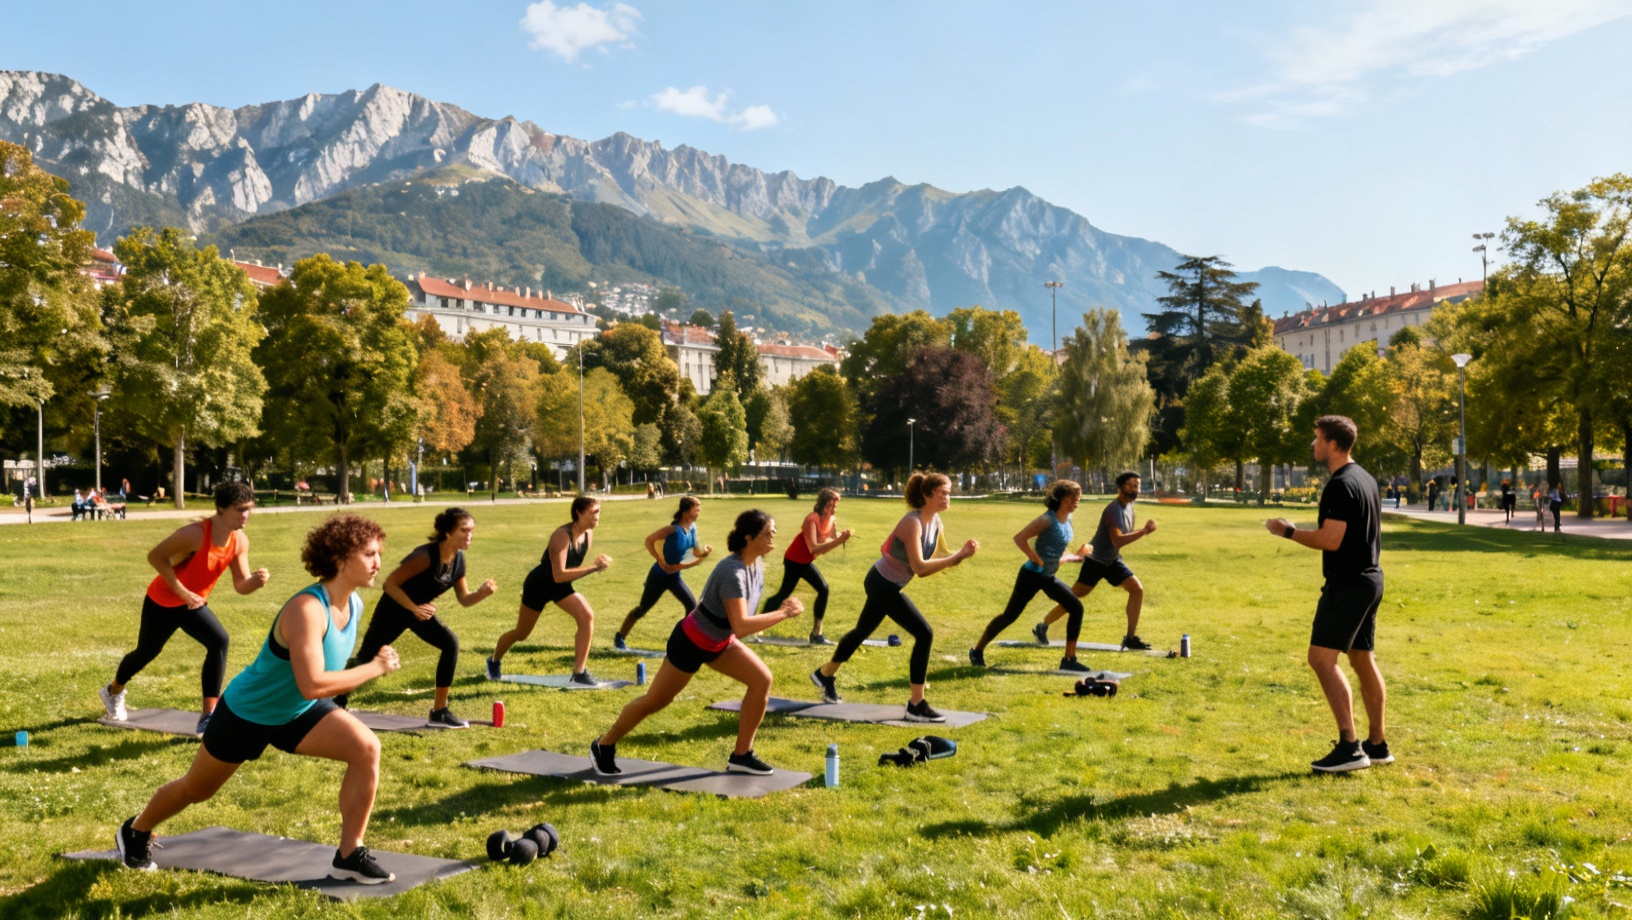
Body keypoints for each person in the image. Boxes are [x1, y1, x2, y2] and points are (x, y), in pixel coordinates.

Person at [116, 514, 400, 883]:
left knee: (366, 748)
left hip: (297, 712)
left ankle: (349, 853)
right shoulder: (307, 609)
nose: (378, 562)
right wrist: (374, 668)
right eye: (369, 554)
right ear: (341, 558)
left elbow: (320, 683)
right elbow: (313, 683)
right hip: (248, 713)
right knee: (197, 789)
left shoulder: (354, 605)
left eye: (379, 553)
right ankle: (136, 830)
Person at [590, 509, 805, 776]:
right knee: (655, 701)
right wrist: (783, 613)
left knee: (762, 680)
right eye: (768, 531)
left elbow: (736, 623)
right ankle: (604, 744)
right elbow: (741, 625)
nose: (774, 535)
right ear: (749, 537)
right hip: (690, 643)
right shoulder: (733, 572)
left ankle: (742, 755)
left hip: (719, 642)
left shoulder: (755, 565)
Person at [1264, 415, 1390, 773]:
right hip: (1370, 578)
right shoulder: (1364, 477)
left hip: (1349, 583)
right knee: (1362, 658)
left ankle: (1350, 747)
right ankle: (1377, 745)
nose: (1314, 444)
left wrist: (1287, 531)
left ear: (1334, 443)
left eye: (1318, 438)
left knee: (1321, 660)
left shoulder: (1339, 485)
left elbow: (1331, 539)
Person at [101, 482, 270, 734]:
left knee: (219, 641)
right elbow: (155, 557)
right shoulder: (195, 534)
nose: (246, 516)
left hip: (194, 604)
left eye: (249, 510)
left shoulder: (239, 541)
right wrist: (182, 592)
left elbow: (240, 585)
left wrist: (255, 582)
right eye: (240, 510)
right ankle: (113, 690)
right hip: (162, 601)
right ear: (222, 509)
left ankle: (208, 715)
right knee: (146, 653)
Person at [810, 472, 979, 722]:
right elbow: (921, 568)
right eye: (943, 493)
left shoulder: (936, 522)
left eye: (949, 492)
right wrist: (957, 557)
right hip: (882, 583)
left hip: (889, 583)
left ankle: (825, 673)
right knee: (924, 633)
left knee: (862, 631)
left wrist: (961, 554)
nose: (948, 497)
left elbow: (942, 554)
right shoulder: (912, 523)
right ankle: (916, 704)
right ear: (927, 495)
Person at [340, 508, 497, 727]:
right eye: (464, 530)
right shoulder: (424, 556)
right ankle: (336, 702)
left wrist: (481, 593)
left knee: (450, 644)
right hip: (393, 610)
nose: (469, 535)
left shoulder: (458, 561)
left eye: (471, 530)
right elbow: (389, 584)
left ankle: (439, 711)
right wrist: (414, 608)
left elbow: (464, 599)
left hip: (417, 612)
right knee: (366, 658)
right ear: (448, 533)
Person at [487, 495, 612, 685]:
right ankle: (494, 660)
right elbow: (558, 575)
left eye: (599, 512)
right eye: (594, 512)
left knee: (586, 616)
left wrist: (597, 565)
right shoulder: (561, 536)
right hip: (539, 585)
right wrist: (594, 568)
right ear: (579, 512)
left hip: (560, 587)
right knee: (521, 633)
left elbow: (564, 576)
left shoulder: (588, 535)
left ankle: (579, 673)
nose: (598, 517)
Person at [969, 480, 1091, 671]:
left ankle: (1069, 659)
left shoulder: (1067, 521)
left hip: (1048, 577)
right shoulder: (1047, 519)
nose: (1076, 501)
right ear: (1060, 498)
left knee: (1076, 607)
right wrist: (1035, 558)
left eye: (1079, 497)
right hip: (1031, 575)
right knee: (1009, 616)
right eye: (1072, 497)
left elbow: (1056, 554)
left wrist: (1076, 557)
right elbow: (1020, 538)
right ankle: (977, 650)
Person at [1034, 471, 1158, 651]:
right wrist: (1144, 531)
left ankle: (1130, 638)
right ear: (1120, 487)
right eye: (1131, 485)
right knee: (1075, 595)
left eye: (1137, 485)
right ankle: (1043, 626)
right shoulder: (1113, 510)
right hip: (1096, 561)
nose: (1135, 489)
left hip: (1112, 560)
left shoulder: (1130, 507)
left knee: (1136, 589)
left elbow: (1117, 543)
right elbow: (1117, 539)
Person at [612, 497, 713, 650]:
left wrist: (704, 553)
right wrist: (659, 559)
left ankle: (683, 641)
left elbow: (695, 551)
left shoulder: (693, 528)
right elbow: (649, 540)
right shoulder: (673, 530)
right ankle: (619, 638)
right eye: (696, 509)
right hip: (658, 576)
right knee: (642, 609)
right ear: (685, 512)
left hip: (674, 577)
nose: (699, 512)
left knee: (691, 606)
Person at [760, 488, 853, 644]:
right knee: (784, 594)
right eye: (832, 504)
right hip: (794, 560)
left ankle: (817, 634)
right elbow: (814, 547)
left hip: (805, 561)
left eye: (836, 505)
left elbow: (829, 540)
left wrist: (841, 537)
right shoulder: (811, 519)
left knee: (823, 589)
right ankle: (756, 627)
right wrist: (839, 540)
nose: (834, 508)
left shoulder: (832, 520)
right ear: (824, 504)